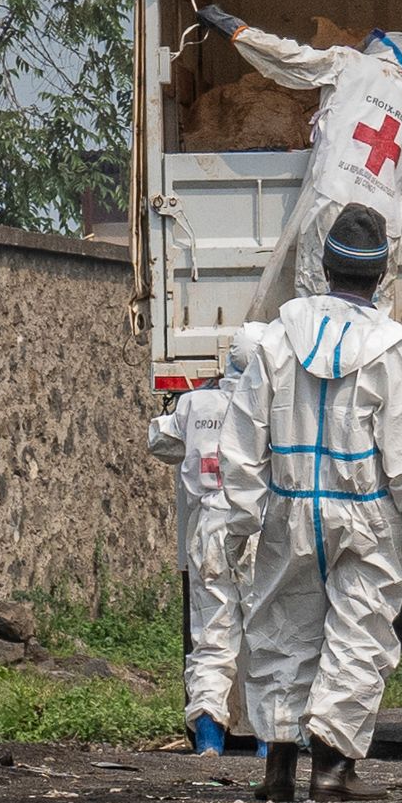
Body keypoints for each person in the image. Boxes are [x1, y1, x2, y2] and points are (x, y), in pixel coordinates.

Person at [219, 203, 402, 803]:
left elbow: (243, 438)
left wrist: (241, 520)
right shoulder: (391, 349)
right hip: (365, 514)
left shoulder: (276, 340)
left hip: (288, 508)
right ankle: (332, 772)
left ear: (324, 265)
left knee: (280, 633)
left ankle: (277, 773)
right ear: (380, 273)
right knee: (359, 634)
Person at [195, 4, 402, 318]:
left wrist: (240, 34)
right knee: (374, 319)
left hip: (335, 197)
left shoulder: (353, 64)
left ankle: (313, 364)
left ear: (382, 50)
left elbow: (291, 59)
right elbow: (401, 181)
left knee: (316, 306)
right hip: (382, 224)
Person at [147, 322, 267, 756]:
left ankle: (210, 738)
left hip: (209, 530)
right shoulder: (276, 405)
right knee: (264, 636)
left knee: (212, 635)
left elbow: (160, 442)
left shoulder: (195, 404)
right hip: (258, 530)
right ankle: (268, 742)